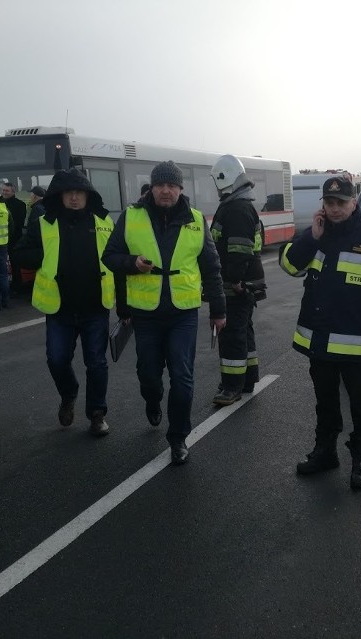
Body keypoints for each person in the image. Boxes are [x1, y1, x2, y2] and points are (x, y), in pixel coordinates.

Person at [279, 176, 361, 489]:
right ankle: (325, 452)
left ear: (354, 203)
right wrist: (312, 236)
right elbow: (291, 267)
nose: (334, 209)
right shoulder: (316, 235)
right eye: (329, 202)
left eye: (341, 203)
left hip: (358, 345)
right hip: (319, 339)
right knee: (325, 402)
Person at [101, 160, 226, 464]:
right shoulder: (131, 216)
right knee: (149, 374)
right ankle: (152, 400)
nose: (166, 190)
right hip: (146, 313)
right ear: (152, 188)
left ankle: (179, 437)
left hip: (183, 313)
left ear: (181, 189)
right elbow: (110, 256)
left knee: (182, 377)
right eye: (160, 185)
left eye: (172, 185)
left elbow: (211, 268)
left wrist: (218, 310)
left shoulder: (196, 220)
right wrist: (132, 263)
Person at [12, 168, 116, 437]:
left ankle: (97, 413)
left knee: (96, 363)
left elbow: (118, 259)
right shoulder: (44, 222)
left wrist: (125, 305)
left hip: (95, 307)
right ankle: (69, 393)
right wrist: (42, 255)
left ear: (87, 194)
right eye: (68, 192)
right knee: (57, 360)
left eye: (79, 192)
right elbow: (21, 253)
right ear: (59, 196)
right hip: (60, 308)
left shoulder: (104, 221)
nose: (73, 197)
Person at [208, 154, 265, 405]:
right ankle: (248, 378)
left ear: (225, 179)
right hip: (243, 284)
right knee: (243, 331)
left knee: (232, 335)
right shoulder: (238, 205)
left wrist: (234, 280)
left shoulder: (237, 209)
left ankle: (231, 386)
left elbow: (239, 251)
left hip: (235, 286)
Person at [0, 181, 28, 296]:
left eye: (6, 191)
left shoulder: (20, 204)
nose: (4, 192)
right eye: (3, 190)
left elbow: (19, 223)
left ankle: (17, 287)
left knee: (15, 265)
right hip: (0, 238)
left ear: (13, 191)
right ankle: (3, 287)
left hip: (14, 239)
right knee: (1, 265)